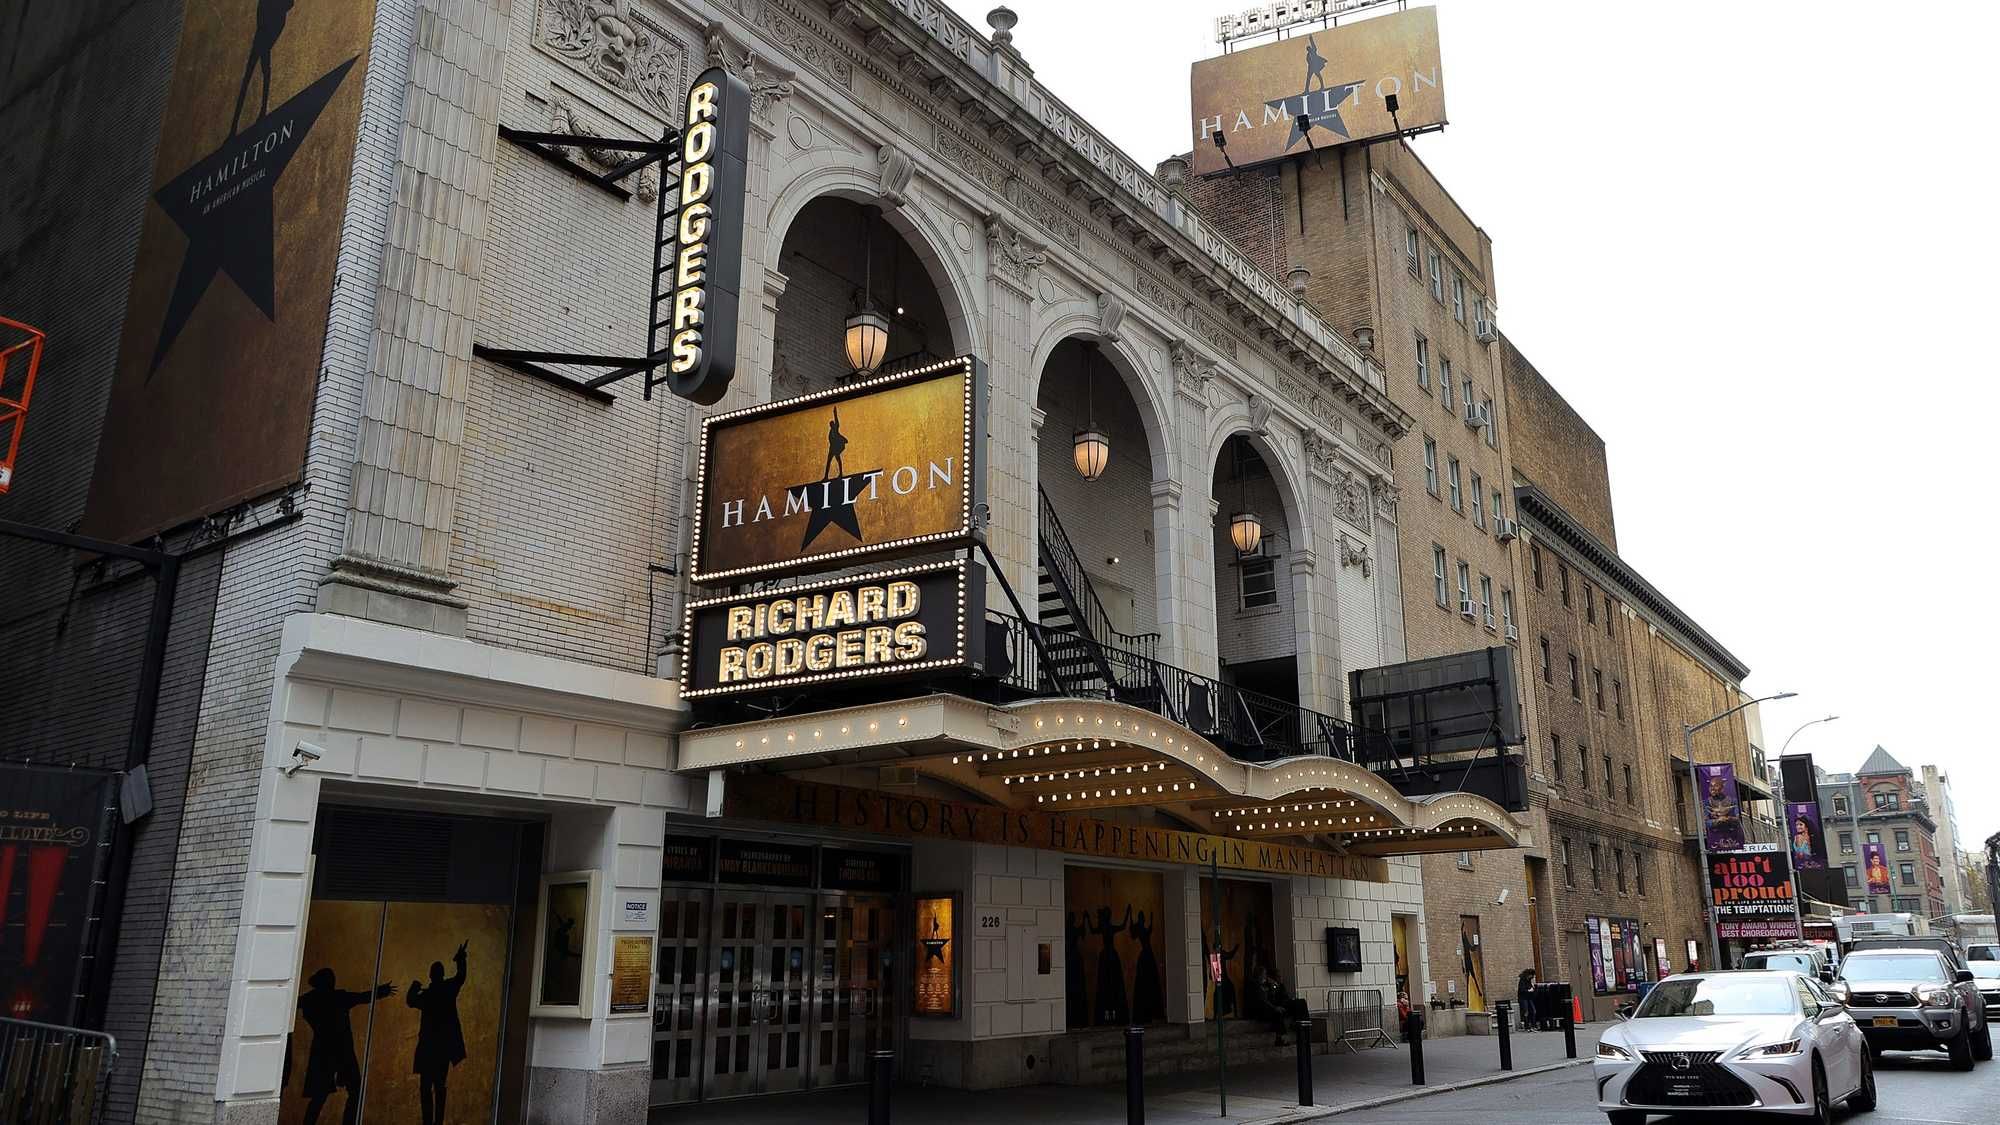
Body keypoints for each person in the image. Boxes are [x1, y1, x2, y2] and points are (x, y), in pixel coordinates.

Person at [296, 968, 395, 1125]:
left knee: (320, 1096)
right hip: (342, 1050)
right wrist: (380, 991)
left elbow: (292, 1002)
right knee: (354, 1091)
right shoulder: (338, 997)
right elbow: (362, 997)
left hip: (323, 1051)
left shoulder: (310, 999)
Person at [408, 941, 470, 1125]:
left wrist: (414, 987)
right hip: (443, 1049)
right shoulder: (448, 989)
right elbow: (461, 976)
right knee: (439, 1086)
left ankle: (428, 1122)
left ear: (430, 975)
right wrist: (460, 959)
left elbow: (410, 1001)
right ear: (441, 974)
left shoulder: (427, 996)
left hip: (428, 1049)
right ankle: (437, 1123)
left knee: (426, 1087)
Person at [1256, 965, 1310, 1045]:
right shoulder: (1264, 986)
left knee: (1301, 1002)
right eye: (1278, 976)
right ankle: (1282, 1037)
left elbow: (1285, 996)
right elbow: (1267, 1000)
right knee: (1279, 1012)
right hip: (1272, 1008)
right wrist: (1273, 989)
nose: (1280, 978)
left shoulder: (1279, 985)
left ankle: (1305, 1025)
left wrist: (1280, 987)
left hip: (1282, 1005)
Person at [1516, 968, 1538, 1032]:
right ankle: (1527, 1026)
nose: (1532, 977)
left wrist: (1532, 988)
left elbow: (1531, 988)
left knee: (1533, 1011)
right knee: (1526, 1012)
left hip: (1529, 998)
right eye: (1532, 975)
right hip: (1523, 998)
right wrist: (1529, 990)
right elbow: (1521, 990)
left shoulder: (1529, 980)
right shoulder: (1522, 980)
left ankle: (1533, 1026)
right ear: (1528, 974)